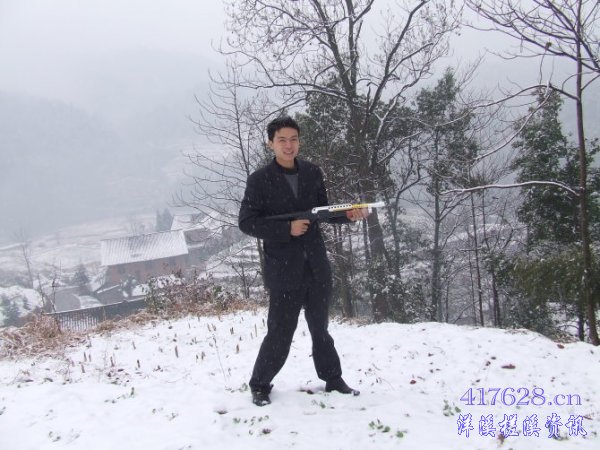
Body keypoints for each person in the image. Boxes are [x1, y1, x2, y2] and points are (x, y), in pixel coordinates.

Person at [238, 115, 368, 406]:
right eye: (282, 140)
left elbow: (322, 212)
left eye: (294, 139)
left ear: (299, 141)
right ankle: (260, 384)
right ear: (271, 143)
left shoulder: (312, 172)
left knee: (320, 329)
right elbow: (246, 222)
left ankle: (333, 379)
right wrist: (286, 229)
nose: (289, 145)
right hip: (284, 270)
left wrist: (348, 215)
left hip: (317, 266)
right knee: (280, 332)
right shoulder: (259, 180)